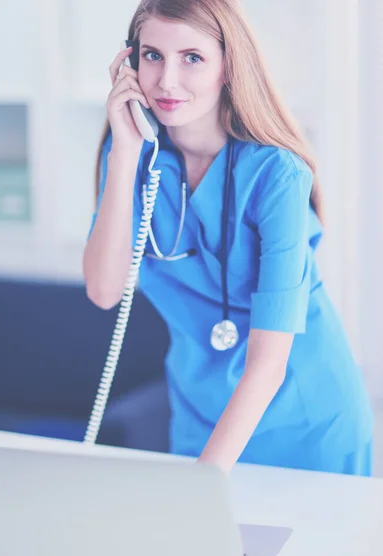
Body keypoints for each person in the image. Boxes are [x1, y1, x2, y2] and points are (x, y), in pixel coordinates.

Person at [83, 0, 374, 476]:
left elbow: (267, 365)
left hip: (306, 422)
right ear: (129, 62)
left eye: (191, 58)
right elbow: (103, 290)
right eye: (152, 55)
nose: (167, 81)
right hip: (203, 417)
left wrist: (202, 485)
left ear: (227, 67)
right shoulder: (132, 156)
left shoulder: (277, 175)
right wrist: (126, 152)